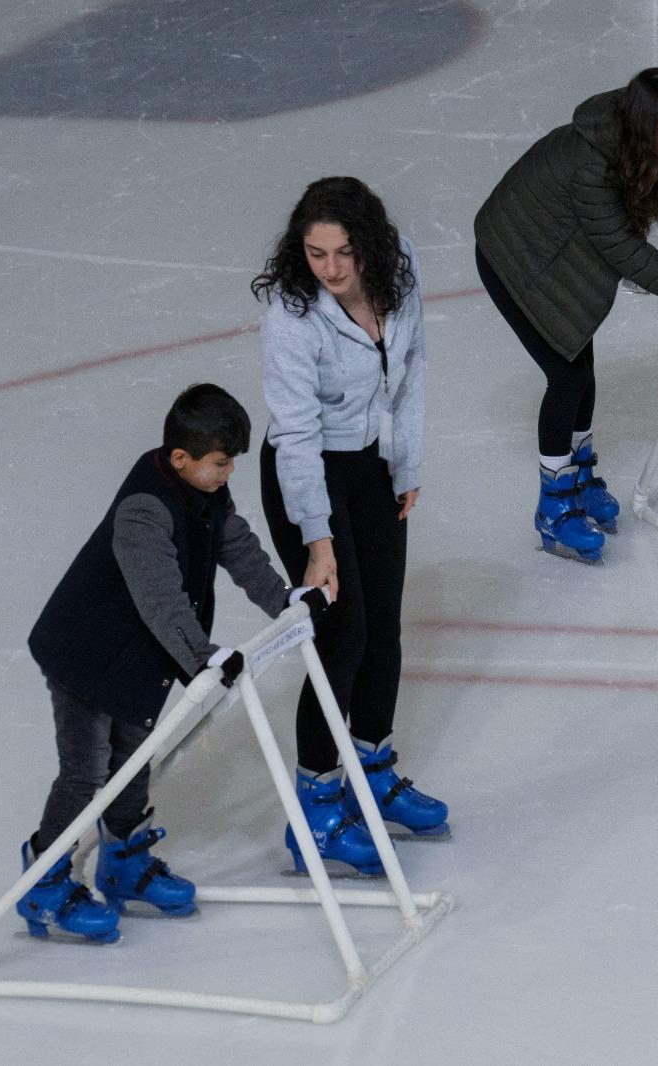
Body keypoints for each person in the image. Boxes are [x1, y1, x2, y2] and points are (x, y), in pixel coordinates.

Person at [21, 384, 325, 942]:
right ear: (181, 459)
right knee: (86, 771)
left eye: (231, 461)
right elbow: (159, 596)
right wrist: (204, 658)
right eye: (220, 463)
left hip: (138, 658)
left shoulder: (203, 492)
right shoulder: (144, 510)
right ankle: (43, 879)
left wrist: (283, 599)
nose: (228, 472)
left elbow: (237, 546)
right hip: (86, 656)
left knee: (133, 759)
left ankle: (123, 862)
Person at [474, 66, 658, 564]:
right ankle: (553, 505)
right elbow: (624, 251)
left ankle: (578, 477)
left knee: (580, 366)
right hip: (515, 256)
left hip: (555, 251)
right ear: (650, 119)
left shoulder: (630, 147)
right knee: (566, 374)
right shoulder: (592, 164)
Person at [253, 176, 446, 878]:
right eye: (314, 253)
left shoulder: (400, 265)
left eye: (341, 253)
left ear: (369, 244)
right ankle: (316, 805)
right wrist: (318, 538)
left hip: (372, 463)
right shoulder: (291, 313)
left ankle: (372, 766)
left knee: (385, 627)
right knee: (344, 634)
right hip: (308, 479)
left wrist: (406, 462)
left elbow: (413, 365)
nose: (329, 270)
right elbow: (297, 433)